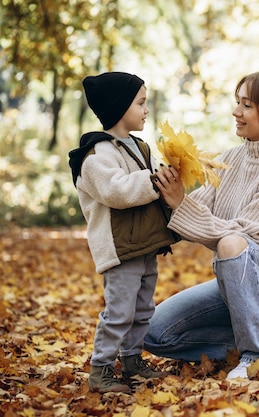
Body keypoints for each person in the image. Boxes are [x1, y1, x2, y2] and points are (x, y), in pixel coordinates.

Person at [145, 71, 259, 379]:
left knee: (231, 242)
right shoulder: (231, 158)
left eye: (247, 105)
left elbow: (241, 236)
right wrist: (166, 193)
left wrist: (180, 205)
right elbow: (197, 206)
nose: (236, 112)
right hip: (235, 284)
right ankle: (257, 335)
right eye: (237, 102)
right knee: (154, 332)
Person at [68, 72, 179, 393]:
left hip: (144, 242)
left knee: (144, 308)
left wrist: (170, 177)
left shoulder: (141, 147)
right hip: (119, 247)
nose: (147, 110)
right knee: (118, 311)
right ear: (119, 107)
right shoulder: (95, 155)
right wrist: (154, 181)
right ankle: (100, 369)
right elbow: (116, 191)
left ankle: (132, 359)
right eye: (141, 103)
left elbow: (154, 182)